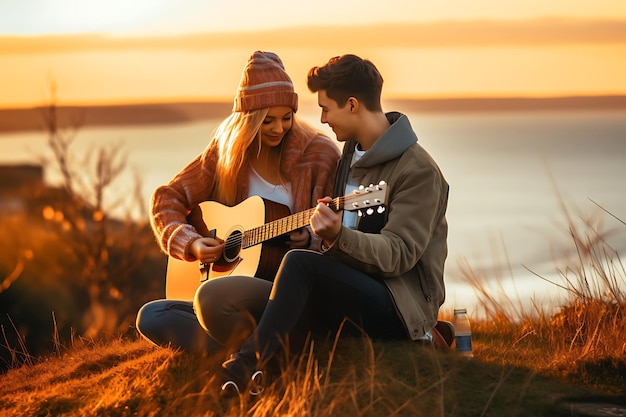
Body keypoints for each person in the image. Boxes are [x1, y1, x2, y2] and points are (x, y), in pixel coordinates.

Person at [218, 54, 450, 395]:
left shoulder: (418, 171)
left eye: (326, 108)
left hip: (398, 305)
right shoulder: (350, 156)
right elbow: (345, 243)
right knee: (228, 297)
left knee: (299, 267)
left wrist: (339, 236)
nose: (322, 119)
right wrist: (318, 235)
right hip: (354, 289)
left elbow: (400, 253)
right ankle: (271, 377)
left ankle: (244, 367)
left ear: (353, 105)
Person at [135, 51, 341, 354]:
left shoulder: (319, 155)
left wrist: (309, 238)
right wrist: (192, 243)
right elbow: (166, 199)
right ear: (247, 119)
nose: (278, 128)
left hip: (281, 297)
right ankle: (254, 353)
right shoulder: (225, 156)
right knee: (151, 315)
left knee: (213, 302)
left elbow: (334, 239)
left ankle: (243, 354)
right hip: (223, 299)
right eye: (267, 120)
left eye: (287, 118)